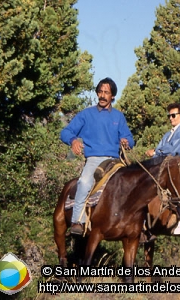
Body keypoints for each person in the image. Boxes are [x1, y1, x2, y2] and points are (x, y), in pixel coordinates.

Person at [60, 77, 134, 235]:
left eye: (106, 92)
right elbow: (65, 132)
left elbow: (130, 138)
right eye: (100, 92)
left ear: (112, 96)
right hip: (94, 160)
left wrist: (126, 141)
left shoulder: (118, 117)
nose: (102, 95)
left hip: (115, 161)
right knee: (84, 181)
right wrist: (73, 141)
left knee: (135, 185)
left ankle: (140, 227)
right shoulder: (86, 114)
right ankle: (78, 221)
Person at [145, 103, 180, 235]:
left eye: (173, 115)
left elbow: (175, 149)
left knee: (179, 187)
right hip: (170, 164)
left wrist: (155, 152)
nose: (171, 118)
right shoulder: (168, 134)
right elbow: (163, 151)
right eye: (169, 116)